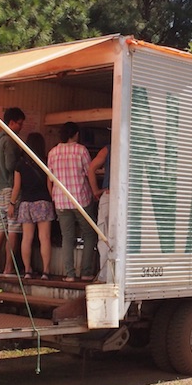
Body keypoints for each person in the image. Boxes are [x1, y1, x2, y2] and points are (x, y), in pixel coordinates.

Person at [47, 121, 97, 282]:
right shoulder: (81, 150)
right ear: (75, 134)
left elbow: (50, 179)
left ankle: (69, 274)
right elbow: (90, 172)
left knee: (67, 237)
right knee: (89, 234)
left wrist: (54, 197)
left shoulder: (53, 153)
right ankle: (86, 272)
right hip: (81, 198)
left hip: (61, 201)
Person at [8, 132, 55, 279]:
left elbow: (17, 187)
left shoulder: (20, 164)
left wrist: (11, 204)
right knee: (44, 238)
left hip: (26, 204)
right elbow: (49, 185)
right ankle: (46, 272)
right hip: (43, 202)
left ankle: (27, 271)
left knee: (26, 238)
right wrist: (54, 202)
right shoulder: (46, 162)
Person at [0, 107, 25, 275]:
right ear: (11, 122)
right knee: (13, 229)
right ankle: (9, 267)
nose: (21, 127)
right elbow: (11, 165)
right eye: (20, 123)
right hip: (11, 189)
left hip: (0, 189)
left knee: (0, 229)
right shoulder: (10, 140)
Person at [87, 142, 112, 282]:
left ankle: (104, 276)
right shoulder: (140, 146)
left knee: (104, 237)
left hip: (109, 194)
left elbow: (91, 169)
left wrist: (96, 190)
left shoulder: (108, 149)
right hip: (131, 197)